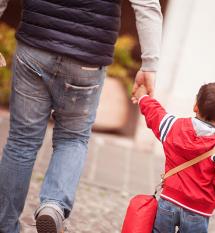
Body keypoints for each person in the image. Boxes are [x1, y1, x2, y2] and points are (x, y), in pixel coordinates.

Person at [0, 0, 162, 232]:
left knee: (21, 141)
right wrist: (150, 66)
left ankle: (4, 225)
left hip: (35, 47)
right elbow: (147, 5)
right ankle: (54, 204)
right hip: (87, 59)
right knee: (72, 138)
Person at [133, 82, 215, 233]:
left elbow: (154, 113)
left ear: (195, 105)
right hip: (199, 211)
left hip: (168, 202)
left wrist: (142, 96)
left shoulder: (172, 127)